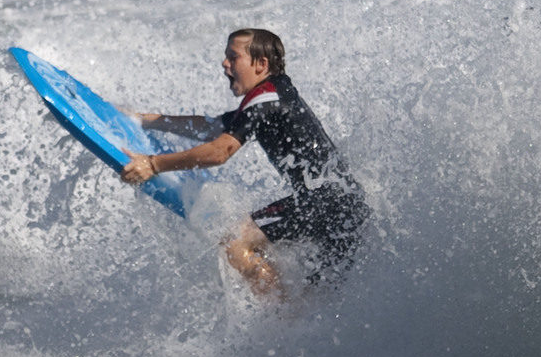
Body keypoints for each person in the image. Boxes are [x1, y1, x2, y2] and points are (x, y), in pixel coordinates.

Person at [121, 29, 369, 300]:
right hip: (345, 207)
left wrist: (153, 164)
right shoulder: (274, 92)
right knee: (317, 300)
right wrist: (150, 120)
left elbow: (219, 152)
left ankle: (281, 317)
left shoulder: (265, 100)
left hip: (324, 204)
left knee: (237, 242)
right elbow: (212, 128)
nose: (224, 63)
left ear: (261, 64)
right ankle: (295, 323)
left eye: (233, 57)